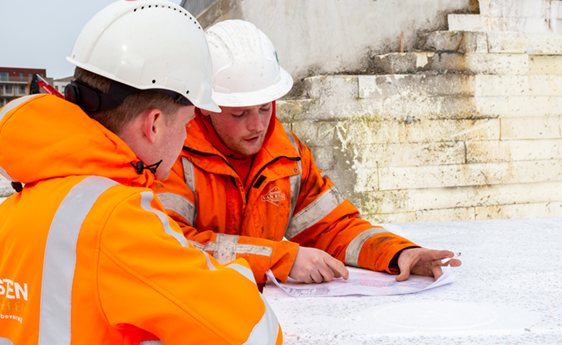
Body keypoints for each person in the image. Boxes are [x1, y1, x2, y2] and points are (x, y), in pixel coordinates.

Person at [0, 3, 281, 345]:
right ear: (154, 125)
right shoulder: (117, 222)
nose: (185, 141)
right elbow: (255, 336)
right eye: (186, 125)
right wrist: (233, 274)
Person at [156, 19, 462, 289]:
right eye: (239, 114)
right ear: (205, 108)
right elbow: (172, 247)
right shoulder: (170, 158)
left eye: (266, 108)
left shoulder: (287, 155)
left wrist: (398, 253)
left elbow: (334, 228)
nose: (257, 125)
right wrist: (281, 260)